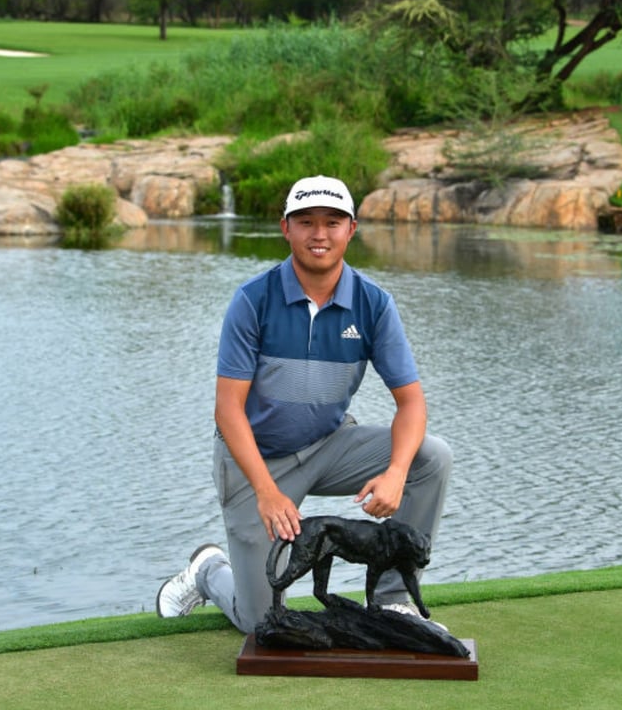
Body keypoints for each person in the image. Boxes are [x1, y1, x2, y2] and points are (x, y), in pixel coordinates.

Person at [155, 175, 453, 634]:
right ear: (285, 228)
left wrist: (395, 472)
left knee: (429, 457)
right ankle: (209, 571)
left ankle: (394, 600)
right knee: (264, 623)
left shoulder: (374, 304)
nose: (319, 234)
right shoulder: (253, 300)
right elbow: (228, 409)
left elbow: (411, 403)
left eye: (332, 222)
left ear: (351, 230)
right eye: (306, 222)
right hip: (255, 462)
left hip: (329, 444)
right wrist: (267, 492)